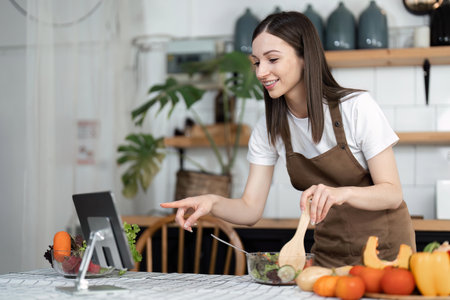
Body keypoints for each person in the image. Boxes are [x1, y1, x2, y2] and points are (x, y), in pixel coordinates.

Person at [161, 11, 416, 267]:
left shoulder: (356, 108)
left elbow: (392, 193)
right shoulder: (269, 127)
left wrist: (341, 193)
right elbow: (250, 209)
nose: (261, 72)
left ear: (305, 57)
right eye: (256, 62)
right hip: (328, 255)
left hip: (386, 255)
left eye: (272, 59)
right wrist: (212, 202)